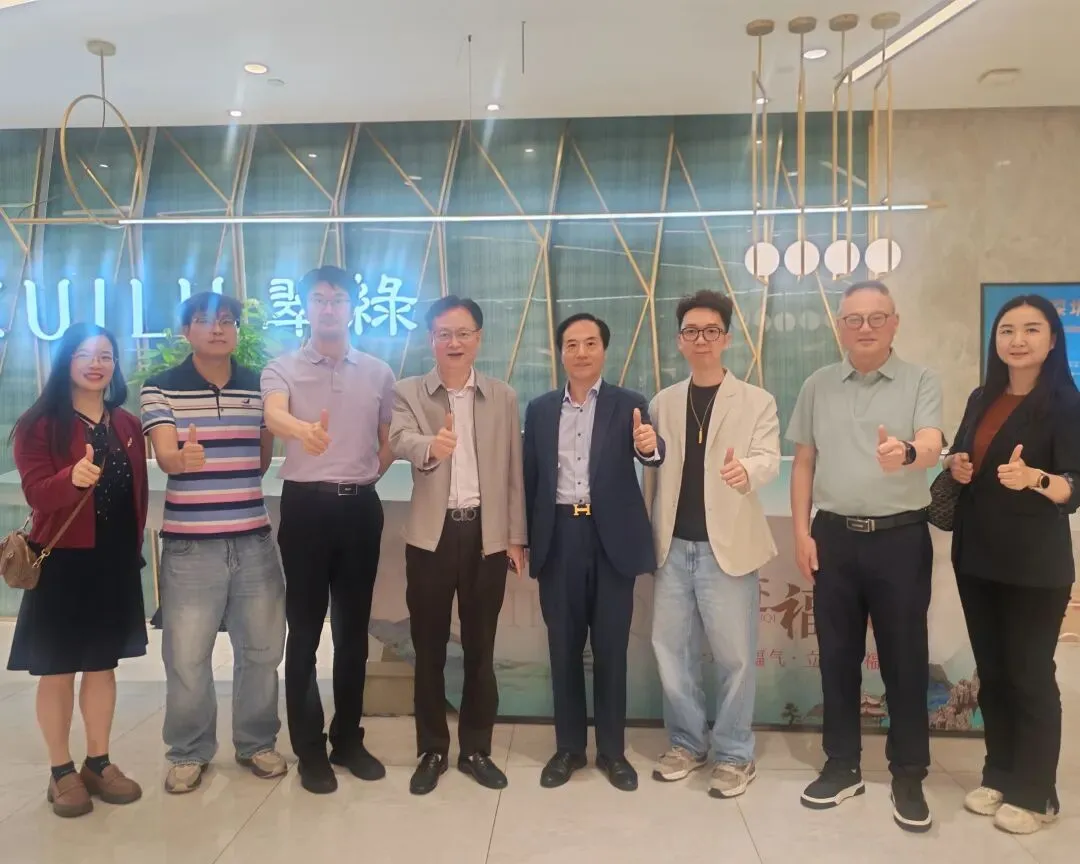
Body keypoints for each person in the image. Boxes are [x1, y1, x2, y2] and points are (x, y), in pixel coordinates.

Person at [786, 280, 944, 833]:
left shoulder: (921, 379)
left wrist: (907, 452)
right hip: (833, 537)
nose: (866, 328)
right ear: (840, 327)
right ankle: (842, 765)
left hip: (900, 539)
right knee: (836, 656)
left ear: (895, 323)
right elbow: (804, 461)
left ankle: (909, 773)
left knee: (905, 658)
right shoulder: (817, 384)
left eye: (877, 317)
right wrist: (802, 533)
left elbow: (932, 443)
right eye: (854, 319)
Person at [944, 294, 1080, 835]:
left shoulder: (1066, 403)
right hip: (977, 556)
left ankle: (1036, 791)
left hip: (1035, 564)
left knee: (1030, 674)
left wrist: (1036, 479)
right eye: (1007, 330)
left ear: (1052, 339)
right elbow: (961, 455)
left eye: (1031, 329)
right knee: (994, 674)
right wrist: (956, 464)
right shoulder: (983, 396)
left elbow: (1074, 488)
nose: (1017, 340)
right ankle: (999, 773)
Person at [140, 292, 286, 794]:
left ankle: (257, 742)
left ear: (237, 330)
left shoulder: (260, 386)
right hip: (190, 546)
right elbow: (165, 455)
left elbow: (261, 459)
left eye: (227, 321)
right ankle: (188, 751)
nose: (217, 329)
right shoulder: (160, 386)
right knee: (186, 657)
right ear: (186, 332)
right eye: (204, 321)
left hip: (254, 542)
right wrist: (182, 461)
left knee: (262, 651)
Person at [261, 265, 395, 794]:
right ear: (306, 307)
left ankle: (348, 739)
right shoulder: (282, 368)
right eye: (318, 299)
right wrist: (302, 430)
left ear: (352, 307)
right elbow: (274, 416)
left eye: (338, 299)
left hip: (360, 509)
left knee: (353, 633)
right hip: (306, 511)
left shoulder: (378, 372)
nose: (329, 308)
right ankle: (309, 749)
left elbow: (389, 436)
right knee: (304, 632)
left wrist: (367, 472)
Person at [7, 323, 147, 818]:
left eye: (106, 355)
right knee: (58, 669)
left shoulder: (126, 424)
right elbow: (36, 494)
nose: (96, 363)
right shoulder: (39, 424)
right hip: (62, 562)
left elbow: (135, 495)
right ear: (67, 360)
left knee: (102, 666)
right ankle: (60, 770)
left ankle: (98, 762)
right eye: (85, 354)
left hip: (113, 562)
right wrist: (72, 478)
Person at [645, 290, 780, 799]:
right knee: (670, 652)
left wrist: (746, 470)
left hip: (728, 548)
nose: (700, 340)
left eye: (710, 331)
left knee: (735, 658)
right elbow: (653, 470)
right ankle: (686, 743)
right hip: (673, 547)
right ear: (679, 340)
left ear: (726, 338)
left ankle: (734, 753)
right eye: (691, 332)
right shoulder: (662, 402)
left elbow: (768, 457)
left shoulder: (756, 401)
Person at [390, 295, 526, 795]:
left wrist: (515, 537)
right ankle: (432, 748)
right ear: (431, 340)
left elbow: (513, 471)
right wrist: (431, 446)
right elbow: (399, 439)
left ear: (478, 339)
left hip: (486, 537)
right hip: (431, 536)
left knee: (480, 648)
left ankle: (475, 749)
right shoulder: (408, 391)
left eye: (463, 333)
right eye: (444, 333)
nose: (454, 342)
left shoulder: (502, 396)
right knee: (427, 647)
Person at [523, 312, 664, 792]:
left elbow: (651, 452)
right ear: (560, 352)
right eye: (571, 344)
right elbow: (531, 478)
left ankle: (612, 752)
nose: (581, 352)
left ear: (604, 349)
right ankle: (568, 749)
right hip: (559, 537)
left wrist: (650, 446)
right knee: (563, 649)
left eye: (590, 343)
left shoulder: (630, 404)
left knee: (610, 650)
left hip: (611, 541)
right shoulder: (540, 410)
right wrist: (524, 540)